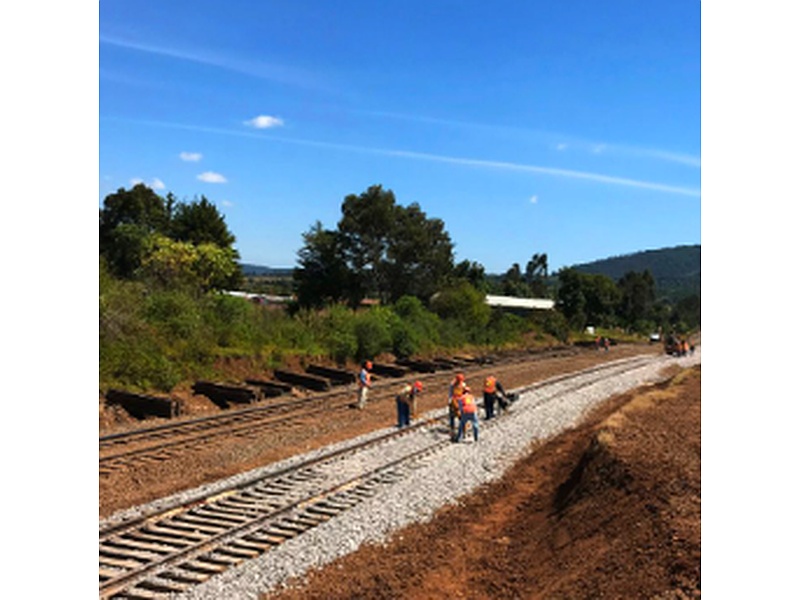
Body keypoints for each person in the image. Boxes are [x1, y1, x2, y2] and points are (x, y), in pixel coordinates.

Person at [448, 372, 469, 439]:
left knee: (460, 416)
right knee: (453, 416)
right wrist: (450, 400)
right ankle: (453, 430)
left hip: (459, 401)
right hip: (455, 401)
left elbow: (466, 393)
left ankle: (463, 431)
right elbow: (450, 393)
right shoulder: (453, 384)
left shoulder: (463, 385)